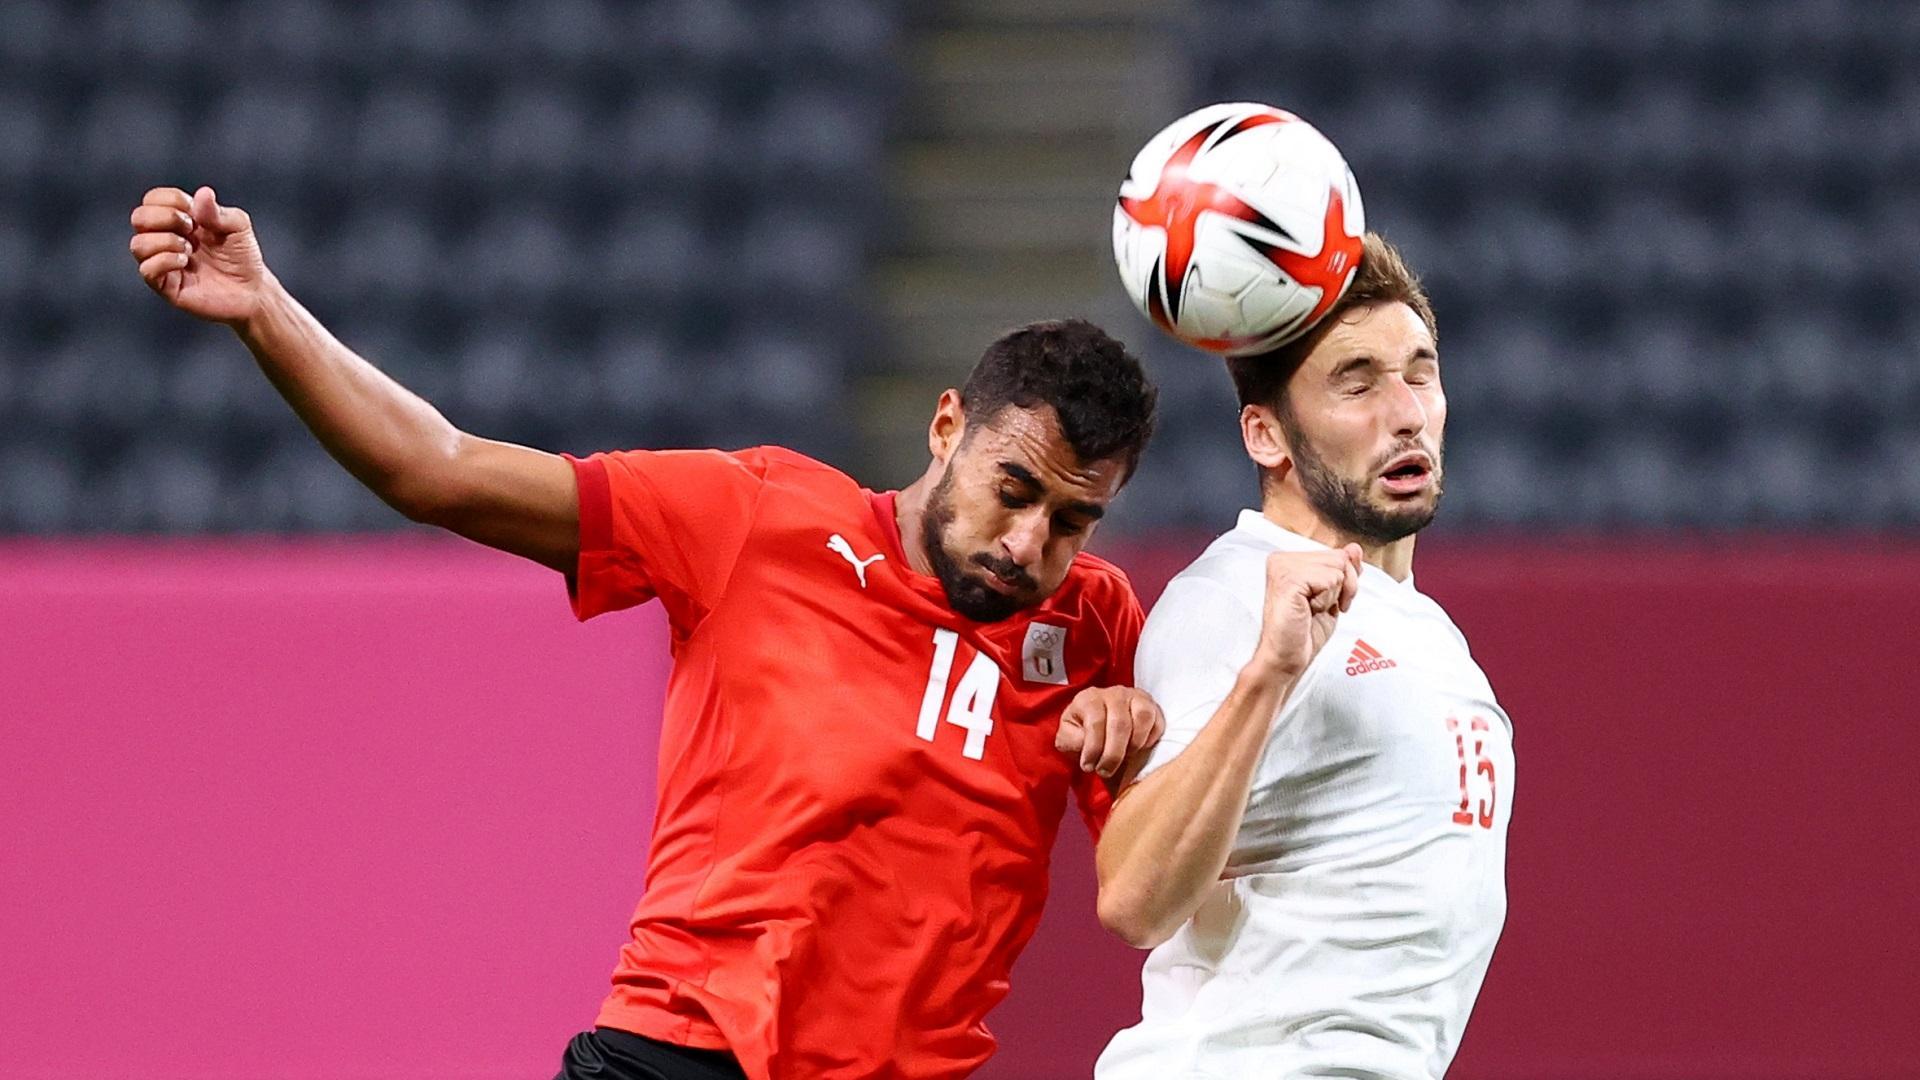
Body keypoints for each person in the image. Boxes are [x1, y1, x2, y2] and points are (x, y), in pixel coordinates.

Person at [128, 185, 1168, 1080]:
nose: (1031, 543)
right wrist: (264, 309)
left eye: (1073, 520)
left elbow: (1147, 880)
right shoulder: (754, 516)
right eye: (1013, 490)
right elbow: (437, 468)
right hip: (679, 1051)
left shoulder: (1096, 622)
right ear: (948, 429)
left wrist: (1149, 733)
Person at [1091, 234, 1512, 1080]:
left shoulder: (1426, 630)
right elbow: (1133, 895)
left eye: (1420, 372)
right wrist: (1266, 678)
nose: (1405, 413)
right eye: (1355, 382)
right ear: (1266, 436)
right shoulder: (1236, 599)